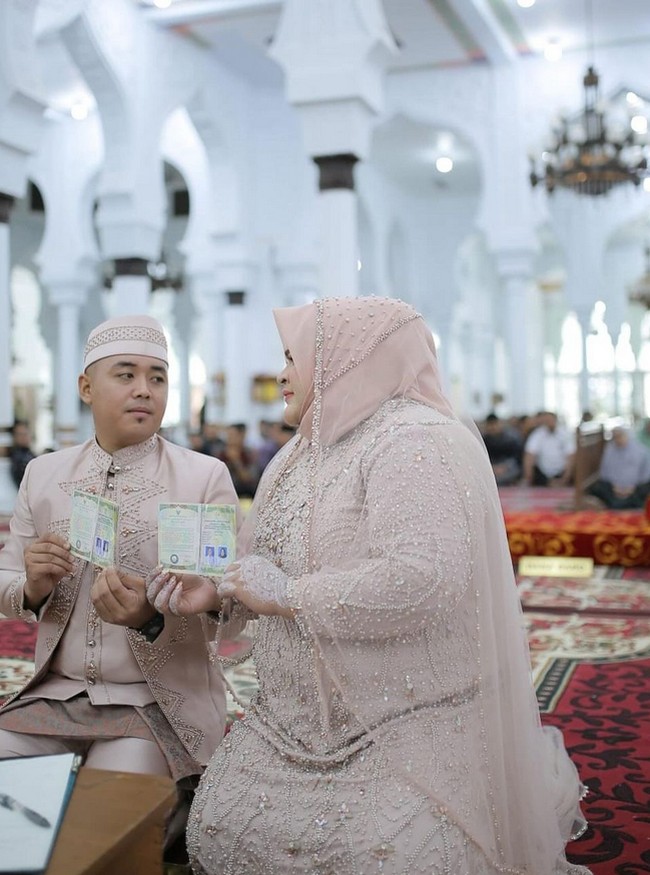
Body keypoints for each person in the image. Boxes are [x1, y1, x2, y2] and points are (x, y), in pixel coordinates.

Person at [148, 297, 591, 875]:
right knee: (217, 832)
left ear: (347, 356)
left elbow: (424, 579)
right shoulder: (295, 455)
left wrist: (288, 595)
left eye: (294, 357)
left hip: (405, 722)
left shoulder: (418, 440)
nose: (281, 374)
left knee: (386, 858)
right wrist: (217, 595)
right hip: (287, 723)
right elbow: (259, 569)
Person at [0, 315, 240, 825]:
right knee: (11, 812)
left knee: (102, 820)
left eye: (158, 377)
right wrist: (34, 586)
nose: (144, 390)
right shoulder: (44, 475)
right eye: (126, 374)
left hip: (153, 702)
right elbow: (5, 582)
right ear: (86, 387)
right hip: (55, 695)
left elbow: (233, 610)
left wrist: (149, 617)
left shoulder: (203, 477)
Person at [587, 425, 650, 509]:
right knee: (598, 487)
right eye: (615, 437)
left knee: (645, 489)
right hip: (614, 489)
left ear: (627, 435)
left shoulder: (642, 451)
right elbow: (604, 472)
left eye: (620, 436)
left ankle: (624, 504)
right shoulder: (610, 450)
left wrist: (632, 488)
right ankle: (620, 504)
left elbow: (646, 474)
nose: (618, 439)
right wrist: (614, 487)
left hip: (635, 489)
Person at [523, 410, 576, 486]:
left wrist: (565, 478)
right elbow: (530, 454)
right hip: (543, 474)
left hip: (562, 471)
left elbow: (571, 456)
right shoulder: (537, 434)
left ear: (556, 420)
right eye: (546, 420)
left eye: (550, 420)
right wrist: (528, 476)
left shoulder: (566, 434)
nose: (549, 422)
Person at [481, 411, 522, 485]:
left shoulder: (510, 439)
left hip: (506, 467)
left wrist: (504, 467)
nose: (493, 427)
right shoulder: (482, 441)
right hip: (490, 468)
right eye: (490, 425)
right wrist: (492, 468)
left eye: (495, 424)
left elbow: (515, 458)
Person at [9, 420, 36, 489]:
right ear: (14, 437)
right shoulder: (16, 457)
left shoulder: (30, 454)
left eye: (25, 434)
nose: (23, 437)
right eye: (20, 434)